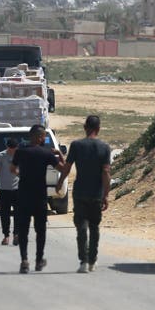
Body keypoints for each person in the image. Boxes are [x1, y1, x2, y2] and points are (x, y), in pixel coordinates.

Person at [57, 115, 112, 273]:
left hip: (80, 192)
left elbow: (67, 167)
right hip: (96, 193)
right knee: (94, 227)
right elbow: (106, 173)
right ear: (99, 129)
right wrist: (106, 194)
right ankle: (92, 261)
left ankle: (83, 261)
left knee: (81, 227)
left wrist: (60, 182)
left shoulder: (76, 145)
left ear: (85, 127)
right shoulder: (104, 147)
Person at [10, 125, 64, 273]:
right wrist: (59, 153)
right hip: (39, 196)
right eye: (44, 136)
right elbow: (64, 169)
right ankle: (39, 260)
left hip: (23, 196)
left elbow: (12, 169)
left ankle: (24, 260)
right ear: (39, 137)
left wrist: (21, 175)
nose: (44, 139)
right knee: (40, 230)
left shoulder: (20, 152)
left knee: (24, 230)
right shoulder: (46, 153)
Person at [0, 137, 20, 245]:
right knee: (5, 214)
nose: (12, 150)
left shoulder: (20, 155)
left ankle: (16, 234)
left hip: (18, 189)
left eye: (14, 148)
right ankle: (6, 236)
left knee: (18, 213)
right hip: (4, 189)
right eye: (11, 148)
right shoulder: (1, 156)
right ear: (7, 147)